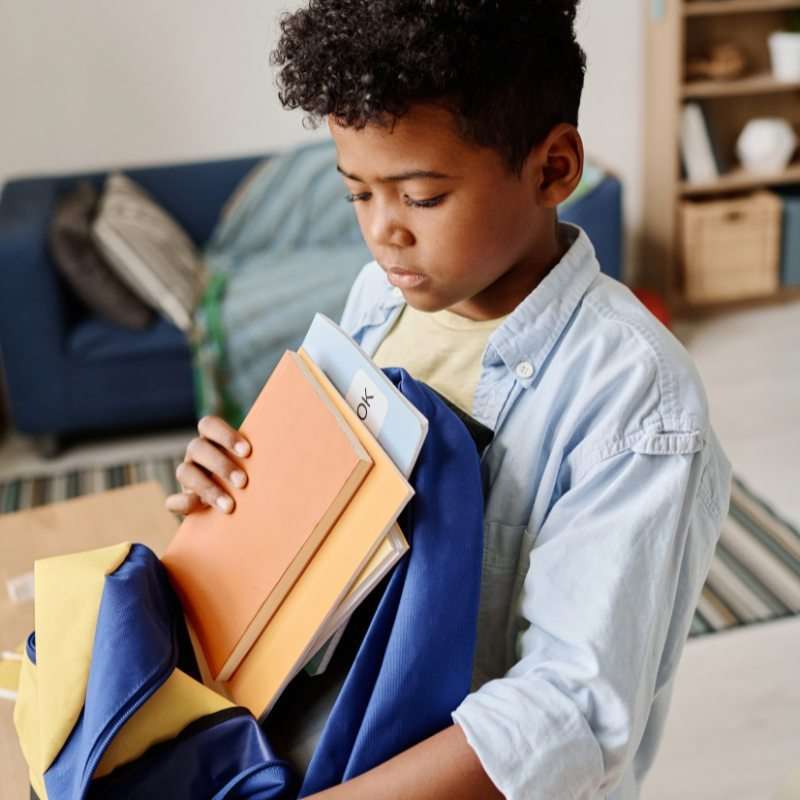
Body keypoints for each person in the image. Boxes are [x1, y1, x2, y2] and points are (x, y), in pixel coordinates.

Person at [165, 1, 732, 797]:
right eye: (357, 193)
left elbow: (567, 712)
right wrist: (234, 499)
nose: (383, 232)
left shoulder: (635, 397)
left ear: (554, 169)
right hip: (310, 747)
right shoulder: (375, 302)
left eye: (421, 197)